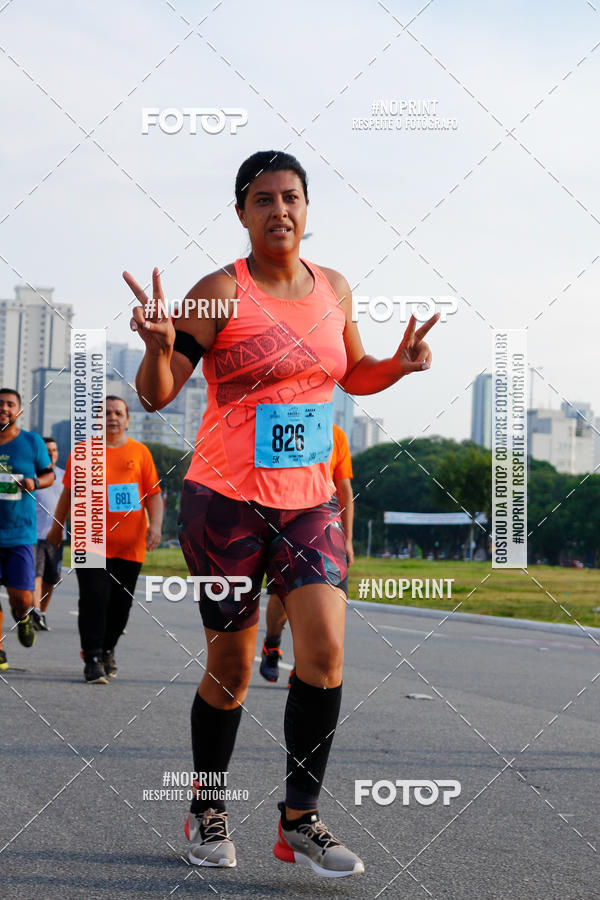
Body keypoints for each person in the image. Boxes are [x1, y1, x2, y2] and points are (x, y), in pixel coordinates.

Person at [125, 150, 437, 878]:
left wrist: (398, 364)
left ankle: (300, 820)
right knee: (231, 667)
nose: (279, 210)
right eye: (262, 199)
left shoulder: (333, 289)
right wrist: (159, 347)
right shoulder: (218, 291)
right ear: (241, 213)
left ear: (307, 207)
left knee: (324, 653)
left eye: (290, 197)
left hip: (308, 501)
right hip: (225, 501)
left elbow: (350, 372)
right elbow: (158, 394)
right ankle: (207, 809)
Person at [47, 396, 163, 683]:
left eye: (118, 412)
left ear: (127, 419)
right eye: (106, 412)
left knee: (120, 604)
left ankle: (108, 648)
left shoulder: (140, 452)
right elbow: (68, 493)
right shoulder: (84, 452)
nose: (112, 417)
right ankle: (93, 656)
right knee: (94, 598)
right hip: (91, 540)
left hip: (130, 544)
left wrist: (156, 526)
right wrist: (57, 527)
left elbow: (154, 494)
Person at [260, 423, 354, 685]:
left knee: (317, 604)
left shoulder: (336, 434)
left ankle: (302, 666)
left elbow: (344, 488)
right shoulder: (278, 423)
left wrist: (347, 538)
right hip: (281, 522)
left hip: (320, 529)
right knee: (281, 598)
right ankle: (272, 644)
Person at [0, 388, 55, 669]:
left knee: (21, 598)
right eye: (0, 404)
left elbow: (49, 474)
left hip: (20, 533)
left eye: (10, 404)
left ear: (18, 411)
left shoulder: (32, 442)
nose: (4, 408)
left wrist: (35, 483)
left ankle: (22, 617)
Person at [31, 437, 65, 631]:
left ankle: (41, 612)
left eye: (54, 449)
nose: (51, 453)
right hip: (34, 535)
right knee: (36, 574)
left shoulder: (65, 475)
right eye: (47, 450)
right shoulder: (33, 476)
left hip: (56, 536)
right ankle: (35, 610)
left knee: (51, 578)